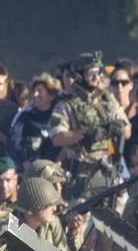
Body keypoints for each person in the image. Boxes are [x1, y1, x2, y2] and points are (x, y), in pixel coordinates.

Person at [49, 56, 126, 196]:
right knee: (80, 213)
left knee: (121, 209)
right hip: (82, 173)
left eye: (99, 73)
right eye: (91, 73)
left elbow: (127, 131)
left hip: (109, 169)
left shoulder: (108, 100)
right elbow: (57, 137)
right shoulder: (67, 104)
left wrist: (115, 127)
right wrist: (86, 134)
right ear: (80, 75)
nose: (97, 77)